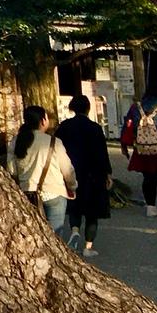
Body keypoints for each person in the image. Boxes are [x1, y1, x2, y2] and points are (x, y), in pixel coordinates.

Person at [53, 95, 111, 258]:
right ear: (88, 108)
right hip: (93, 174)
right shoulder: (95, 128)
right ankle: (88, 246)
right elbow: (102, 153)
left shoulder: (64, 127)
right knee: (92, 212)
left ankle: (75, 231)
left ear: (72, 108)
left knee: (74, 206)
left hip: (71, 172)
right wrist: (107, 173)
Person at [13, 105, 76, 236]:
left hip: (27, 193)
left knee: (33, 234)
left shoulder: (16, 141)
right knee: (55, 236)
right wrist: (72, 186)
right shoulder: (53, 141)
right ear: (42, 120)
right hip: (53, 193)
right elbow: (67, 169)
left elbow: (12, 170)